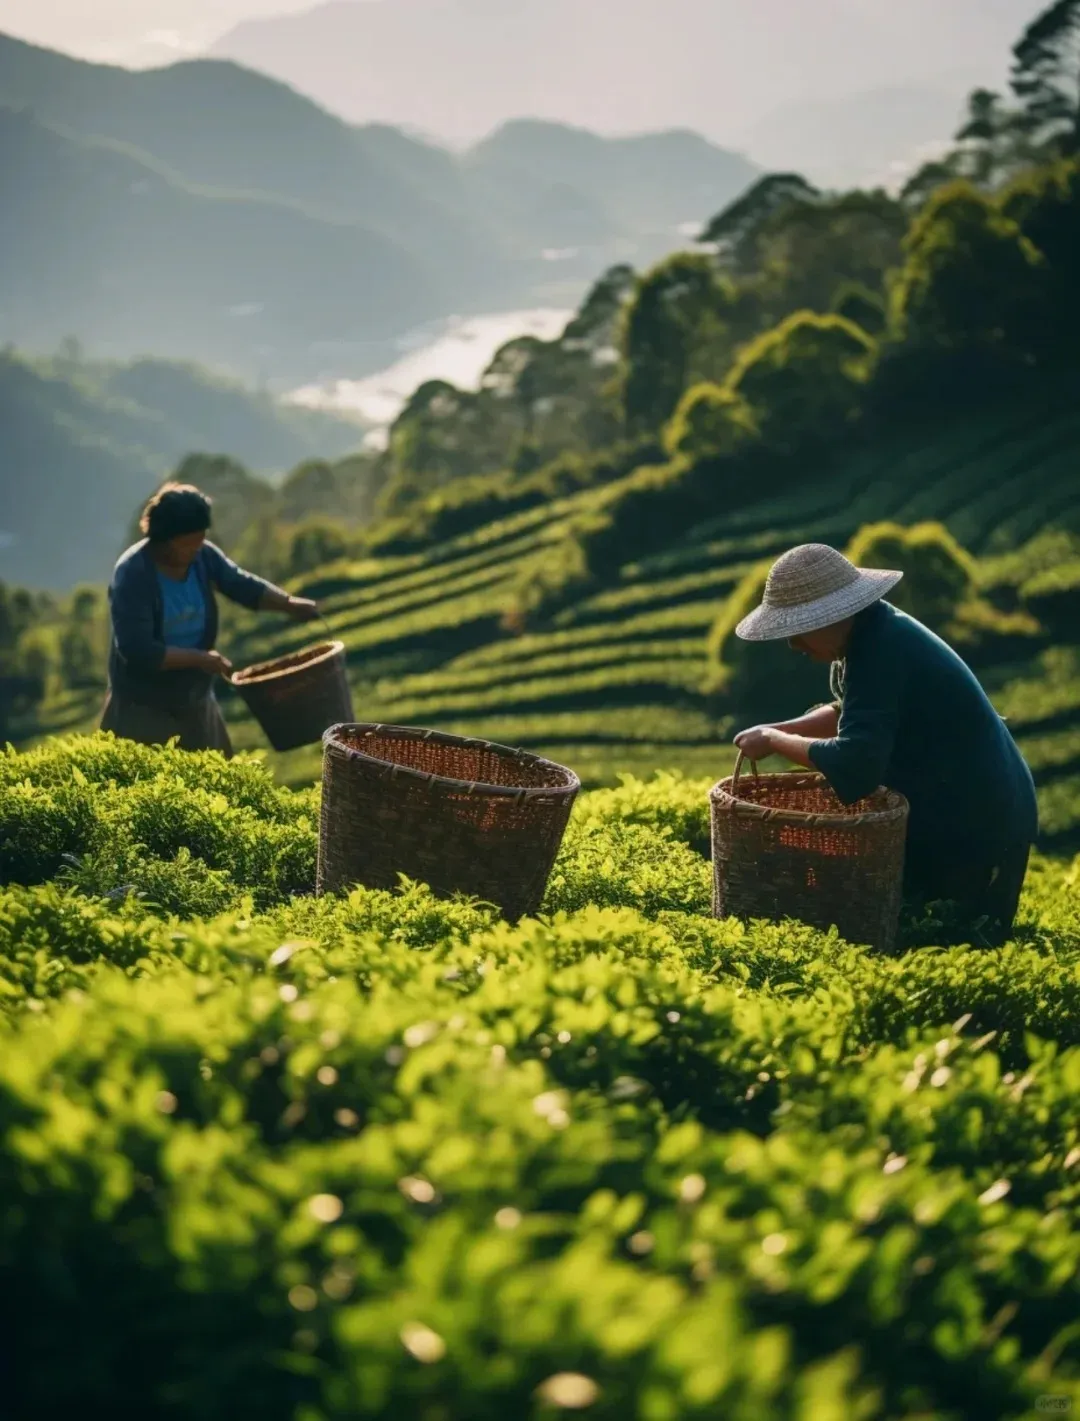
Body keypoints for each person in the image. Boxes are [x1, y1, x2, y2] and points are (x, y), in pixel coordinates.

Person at [732, 543, 1038, 948]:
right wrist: (779, 729)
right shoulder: (873, 635)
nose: (794, 645)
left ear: (832, 616)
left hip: (976, 820)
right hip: (971, 805)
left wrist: (774, 740)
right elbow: (852, 712)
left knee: (951, 944)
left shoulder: (880, 648)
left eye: (798, 629)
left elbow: (856, 763)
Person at [102, 482, 321, 755]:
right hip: (143, 706)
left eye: (199, 542)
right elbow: (137, 650)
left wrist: (289, 604)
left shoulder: (203, 556)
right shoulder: (133, 574)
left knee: (215, 782)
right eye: (187, 545)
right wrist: (201, 659)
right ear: (164, 539)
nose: (195, 551)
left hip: (193, 697)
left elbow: (240, 583)